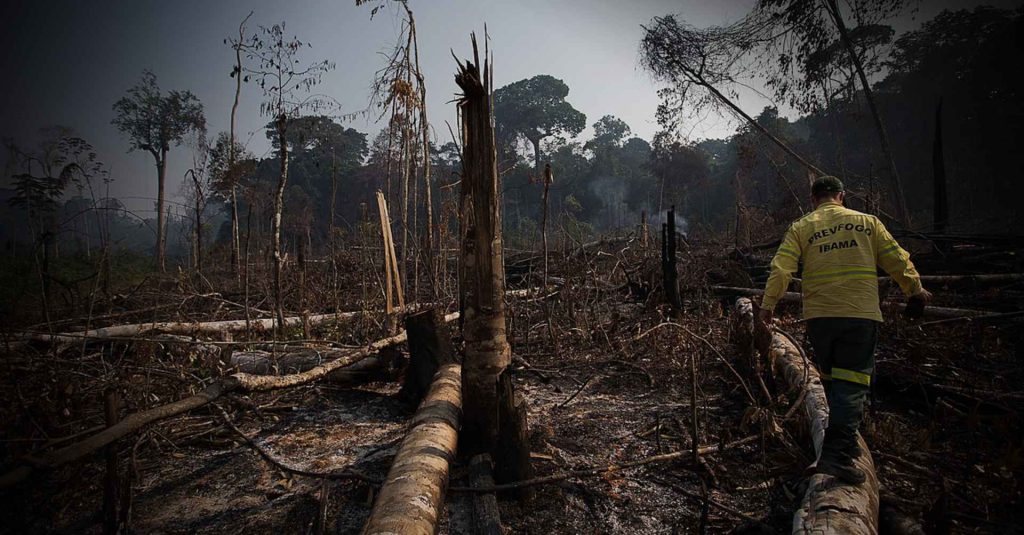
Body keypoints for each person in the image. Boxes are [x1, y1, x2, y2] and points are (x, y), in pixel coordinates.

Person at [757, 176, 932, 484]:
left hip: (820, 318)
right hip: (859, 315)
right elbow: (896, 258)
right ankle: (837, 457)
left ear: (814, 199)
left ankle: (841, 446)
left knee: (833, 381)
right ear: (841, 196)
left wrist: (767, 306)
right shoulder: (867, 223)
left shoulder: (802, 227)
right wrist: (915, 290)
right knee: (852, 384)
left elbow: (781, 269)